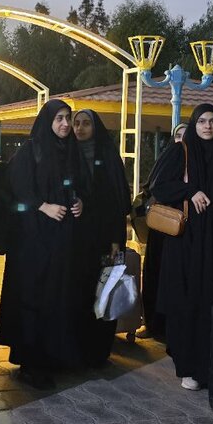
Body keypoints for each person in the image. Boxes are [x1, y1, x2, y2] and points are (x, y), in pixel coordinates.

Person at [148, 104, 213, 390]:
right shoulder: (181, 151)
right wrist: (190, 190)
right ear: (194, 124)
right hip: (186, 244)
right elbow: (159, 186)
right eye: (202, 121)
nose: (208, 126)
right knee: (186, 303)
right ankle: (188, 367)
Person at [0, 100, 84, 389]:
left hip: (61, 240)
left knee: (56, 296)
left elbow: (78, 185)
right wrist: (43, 206)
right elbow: (16, 188)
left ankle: (52, 356)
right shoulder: (30, 150)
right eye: (59, 119)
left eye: (68, 118)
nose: (65, 124)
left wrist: (80, 202)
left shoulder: (70, 151)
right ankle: (30, 362)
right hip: (32, 241)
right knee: (33, 297)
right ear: (47, 121)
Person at [72, 109, 131, 367]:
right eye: (76, 123)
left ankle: (99, 350)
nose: (80, 128)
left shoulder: (107, 156)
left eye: (86, 123)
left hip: (106, 237)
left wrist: (115, 239)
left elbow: (118, 202)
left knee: (105, 290)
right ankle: (78, 347)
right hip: (77, 239)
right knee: (80, 292)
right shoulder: (68, 155)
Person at [140, 119, 188, 340]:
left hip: (183, 232)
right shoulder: (167, 158)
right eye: (178, 136)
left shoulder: (196, 162)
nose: (181, 141)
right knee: (155, 275)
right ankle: (152, 324)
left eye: (186, 136)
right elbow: (154, 186)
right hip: (161, 229)